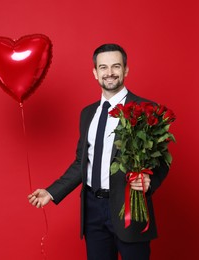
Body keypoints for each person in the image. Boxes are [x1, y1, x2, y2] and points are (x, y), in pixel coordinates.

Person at [27, 43, 169, 260]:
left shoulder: (145, 110)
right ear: (95, 72)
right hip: (92, 209)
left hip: (129, 208)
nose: (109, 73)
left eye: (115, 66)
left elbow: (163, 160)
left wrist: (151, 181)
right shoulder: (87, 114)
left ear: (126, 70)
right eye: (103, 67)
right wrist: (52, 192)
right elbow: (81, 163)